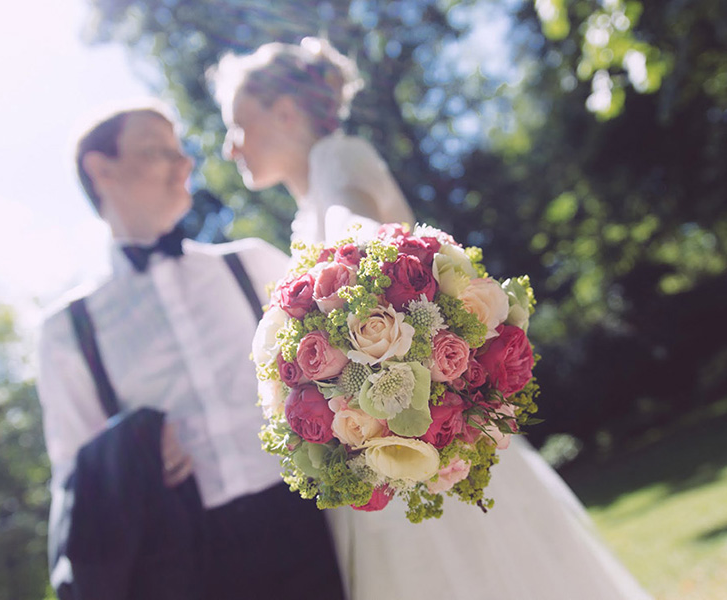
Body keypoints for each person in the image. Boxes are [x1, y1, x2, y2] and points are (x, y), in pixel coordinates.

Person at [210, 39, 651, 600]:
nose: (230, 148)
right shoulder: (303, 211)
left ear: (285, 112)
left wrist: (359, 252)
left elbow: (353, 214)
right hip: (382, 443)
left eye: (237, 126)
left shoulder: (337, 159)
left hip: (425, 439)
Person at [36, 101, 345, 599]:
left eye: (181, 152)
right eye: (158, 152)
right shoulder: (68, 330)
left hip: (312, 521)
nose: (184, 166)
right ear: (102, 169)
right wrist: (130, 448)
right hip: (184, 564)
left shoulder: (252, 263)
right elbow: (76, 475)